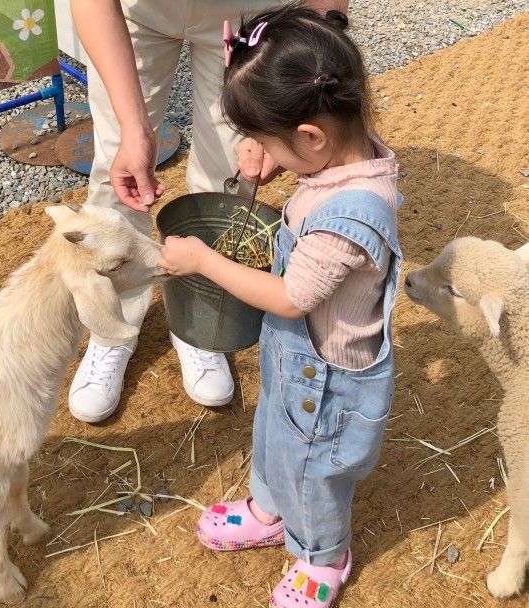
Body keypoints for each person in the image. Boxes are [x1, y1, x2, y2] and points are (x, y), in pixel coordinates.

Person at [159, 6, 402, 607]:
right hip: (297, 366)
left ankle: (322, 557)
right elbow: (311, 182)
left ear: (311, 136)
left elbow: (292, 298)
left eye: (268, 141)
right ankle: (269, 510)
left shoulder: (353, 214)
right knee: (273, 437)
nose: (262, 151)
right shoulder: (343, 157)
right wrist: (275, 165)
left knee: (314, 470)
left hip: (331, 385)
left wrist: (206, 262)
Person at [67, 0, 348, 423]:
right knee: (116, 172)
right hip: (137, 10)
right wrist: (134, 128)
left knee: (225, 174)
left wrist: (275, 121)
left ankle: (200, 321)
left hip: (246, 11)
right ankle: (114, 324)